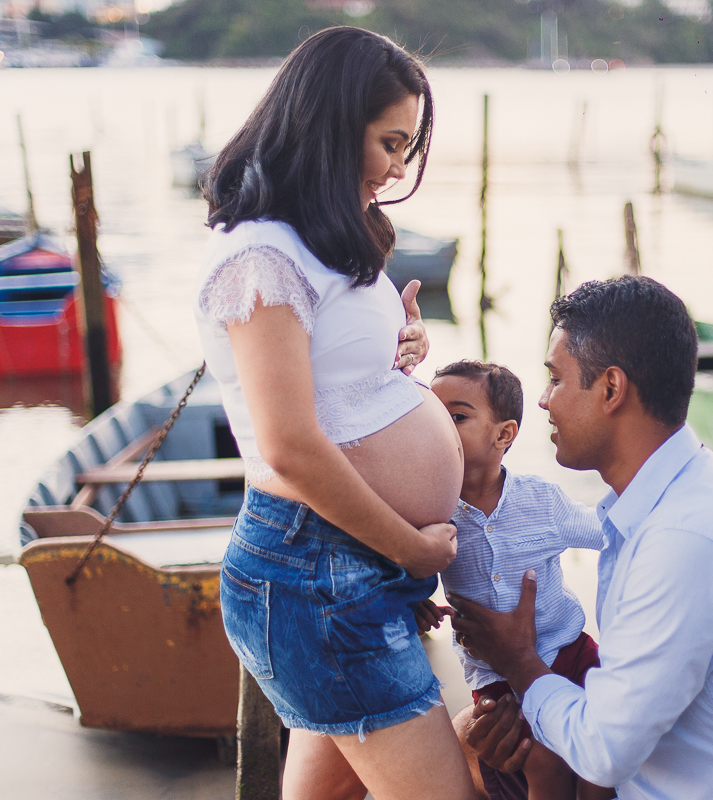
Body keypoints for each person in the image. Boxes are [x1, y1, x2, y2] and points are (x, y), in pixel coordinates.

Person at [193, 27, 476, 800]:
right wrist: (412, 553)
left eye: (409, 148)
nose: (399, 168)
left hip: (345, 564)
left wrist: (401, 343)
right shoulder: (261, 257)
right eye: (390, 142)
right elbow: (289, 447)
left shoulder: (323, 240)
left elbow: (334, 380)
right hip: (316, 568)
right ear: (329, 125)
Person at [450, 276, 713, 799]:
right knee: (468, 737)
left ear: (610, 389)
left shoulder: (683, 537)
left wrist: (519, 661)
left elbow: (604, 749)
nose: (542, 401)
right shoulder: (661, 500)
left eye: (556, 379)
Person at [416, 360, 613, 800]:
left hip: (569, 648)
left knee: (605, 744)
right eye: (431, 414)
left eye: (458, 416)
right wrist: (416, 603)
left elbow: (604, 531)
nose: (440, 427)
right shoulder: (430, 507)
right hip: (493, 676)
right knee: (539, 756)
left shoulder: (541, 500)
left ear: (503, 435)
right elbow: (413, 570)